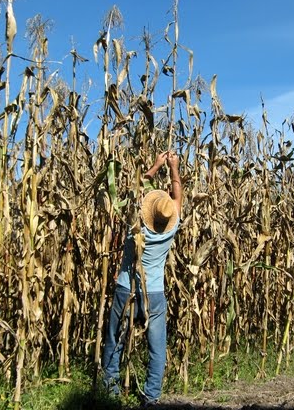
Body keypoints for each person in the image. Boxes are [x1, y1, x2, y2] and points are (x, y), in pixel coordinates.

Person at [102, 151, 183, 406]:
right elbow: (177, 197)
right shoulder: (172, 228)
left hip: (127, 289)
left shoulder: (135, 225)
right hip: (155, 295)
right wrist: (174, 168)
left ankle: (110, 392)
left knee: (115, 340)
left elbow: (137, 190)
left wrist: (156, 165)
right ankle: (152, 398)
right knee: (157, 349)